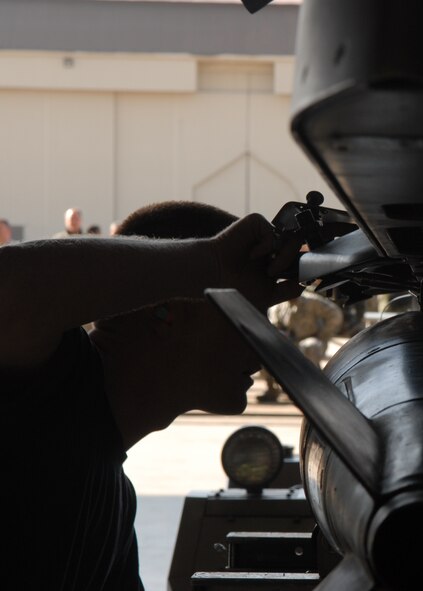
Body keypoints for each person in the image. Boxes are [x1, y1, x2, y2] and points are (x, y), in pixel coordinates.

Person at [0, 201, 303, 589]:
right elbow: (10, 286)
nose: (262, 346)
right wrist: (211, 262)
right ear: (165, 312)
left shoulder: (115, 499)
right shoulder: (50, 381)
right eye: (248, 315)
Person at [257, 289, 344, 403]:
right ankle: (271, 388)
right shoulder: (279, 305)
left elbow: (335, 314)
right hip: (288, 342)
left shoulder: (311, 301)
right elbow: (274, 324)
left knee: (310, 346)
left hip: (309, 338)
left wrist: (323, 334)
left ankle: (312, 388)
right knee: (264, 350)